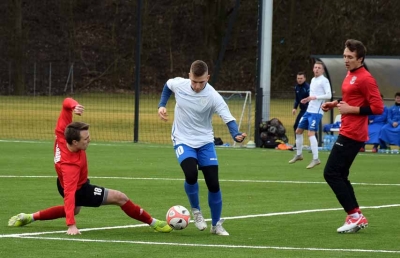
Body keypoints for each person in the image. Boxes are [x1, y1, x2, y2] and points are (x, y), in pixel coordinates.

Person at [8, 98, 172, 235]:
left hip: (63, 182)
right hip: (78, 188)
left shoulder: (62, 133)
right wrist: (71, 225)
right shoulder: (70, 165)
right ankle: (153, 222)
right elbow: (70, 195)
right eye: (85, 139)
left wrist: (74, 106)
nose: (89, 140)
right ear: (74, 142)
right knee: (120, 197)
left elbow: (66, 103)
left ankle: (29, 217)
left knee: (72, 209)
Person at [157, 60, 247, 236]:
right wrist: (162, 105)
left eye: (201, 82)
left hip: (205, 141)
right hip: (182, 139)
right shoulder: (180, 84)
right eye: (194, 82)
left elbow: (227, 117)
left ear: (208, 78)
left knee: (213, 183)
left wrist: (235, 133)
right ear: (189, 76)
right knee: (191, 174)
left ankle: (216, 225)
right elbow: (167, 86)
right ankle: (196, 211)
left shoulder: (213, 96)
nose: (197, 86)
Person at [321, 39, 384, 233]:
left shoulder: (366, 78)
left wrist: (351, 109)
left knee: (331, 173)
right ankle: (355, 215)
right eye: (344, 56)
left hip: (353, 133)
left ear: (361, 59)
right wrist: (335, 103)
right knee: (340, 174)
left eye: (350, 57)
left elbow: (378, 108)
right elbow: (351, 98)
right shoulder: (351, 74)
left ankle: (355, 216)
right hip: (347, 130)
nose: (346, 60)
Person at [288, 61, 332, 169]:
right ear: (313, 69)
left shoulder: (324, 81)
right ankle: (299, 154)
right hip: (309, 110)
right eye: (315, 67)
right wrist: (308, 99)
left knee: (311, 134)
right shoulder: (313, 80)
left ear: (322, 70)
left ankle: (316, 159)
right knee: (298, 131)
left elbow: (329, 95)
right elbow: (312, 95)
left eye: (319, 68)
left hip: (316, 112)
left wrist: (315, 97)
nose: (316, 69)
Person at [292, 71, 310, 147]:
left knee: (310, 127)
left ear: (305, 78)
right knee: (296, 126)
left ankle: (315, 145)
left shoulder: (307, 87)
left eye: (301, 78)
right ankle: (297, 143)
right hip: (302, 110)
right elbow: (297, 99)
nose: (299, 80)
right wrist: (294, 108)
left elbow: (312, 98)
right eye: (298, 78)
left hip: (309, 110)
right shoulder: (296, 87)